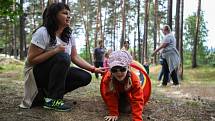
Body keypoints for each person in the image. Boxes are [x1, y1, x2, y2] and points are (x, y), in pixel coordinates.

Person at [19, 3, 104, 112]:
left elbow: (75, 57)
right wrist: (55, 51)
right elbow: (32, 60)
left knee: (84, 77)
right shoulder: (43, 32)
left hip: (54, 73)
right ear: (54, 15)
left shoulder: (69, 34)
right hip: (35, 74)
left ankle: (46, 96)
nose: (69, 16)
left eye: (69, 14)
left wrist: (93, 69)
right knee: (62, 57)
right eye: (64, 13)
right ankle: (54, 100)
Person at [101, 50, 144, 121]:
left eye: (122, 69)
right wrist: (113, 113)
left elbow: (138, 99)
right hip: (115, 92)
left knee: (127, 109)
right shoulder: (108, 79)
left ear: (128, 67)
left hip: (127, 92)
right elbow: (110, 95)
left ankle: (125, 98)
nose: (119, 73)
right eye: (114, 70)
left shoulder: (134, 80)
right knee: (122, 108)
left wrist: (137, 118)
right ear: (110, 70)